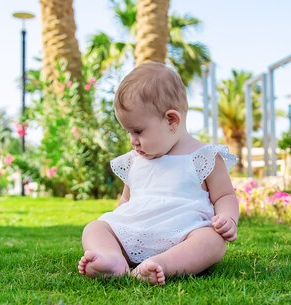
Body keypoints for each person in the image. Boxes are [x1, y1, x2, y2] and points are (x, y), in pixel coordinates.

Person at [78, 62, 239, 285]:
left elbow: (224, 196)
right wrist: (118, 228)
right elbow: (126, 200)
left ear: (171, 120)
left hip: (183, 234)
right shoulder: (134, 161)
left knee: (213, 241)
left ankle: (162, 264)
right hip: (135, 231)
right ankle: (114, 259)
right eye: (128, 132)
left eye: (138, 131)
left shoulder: (204, 157)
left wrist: (228, 218)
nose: (132, 141)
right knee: (95, 228)